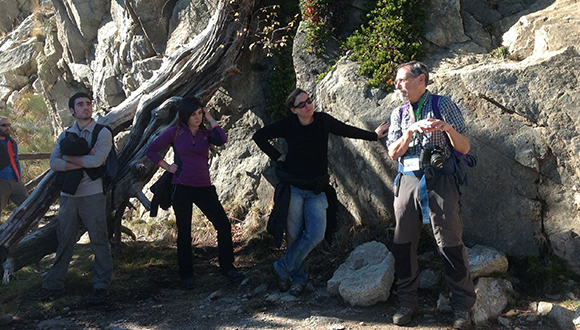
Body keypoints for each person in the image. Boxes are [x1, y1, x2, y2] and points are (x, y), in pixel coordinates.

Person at [253, 88, 389, 296]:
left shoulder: (323, 121)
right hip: (294, 188)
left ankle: (281, 268)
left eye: (309, 101)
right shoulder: (288, 125)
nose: (309, 105)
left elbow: (346, 130)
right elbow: (259, 136)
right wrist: (277, 156)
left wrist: (373, 135)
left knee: (315, 234)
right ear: (293, 110)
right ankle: (297, 279)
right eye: (302, 104)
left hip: (317, 189)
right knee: (294, 236)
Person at [385, 61, 476, 329]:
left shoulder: (443, 105)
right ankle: (407, 303)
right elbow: (393, 153)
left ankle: (462, 307)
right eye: (397, 81)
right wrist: (411, 131)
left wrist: (446, 129)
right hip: (408, 180)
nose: (398, 85)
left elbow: (465, 146)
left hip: (440, 180)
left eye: (402, 80)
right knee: (402, 243)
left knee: (450, 243)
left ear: (421, 79)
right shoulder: (398, 114)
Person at [146, 96, 244, 289]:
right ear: (185, 116)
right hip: (181, 187)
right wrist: (167, 166)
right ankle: (186, 276)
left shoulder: (206, 134)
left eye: (200, 113)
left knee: (223, 225)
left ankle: (227, 268)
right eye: (193, 114)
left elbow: (222, 138)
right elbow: (151, 150)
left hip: (204, 187)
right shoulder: (174, 133)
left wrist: (210, 117)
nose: (197, 117)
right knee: (184, 231)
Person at [29, 92, 114, 304]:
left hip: (93, 194)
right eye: (80, 104)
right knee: (64, 239)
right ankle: (53, 285)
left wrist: (69, 158)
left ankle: (102, 286)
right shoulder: (66, 134)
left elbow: (98, 161)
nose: (86, 107)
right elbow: (54, 163)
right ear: (72, 110)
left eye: (88, 104)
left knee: (99, 239)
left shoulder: (102, 133)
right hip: (69, 194)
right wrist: (83, 160)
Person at [0, 116, 28, 217]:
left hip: (15, 180)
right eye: (4, 125)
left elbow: (16, 160)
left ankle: (34, 230)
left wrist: (19, 178)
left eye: (9, 125)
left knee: (28, 207)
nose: (7, 127)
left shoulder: (12, 142)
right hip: (1, 181)